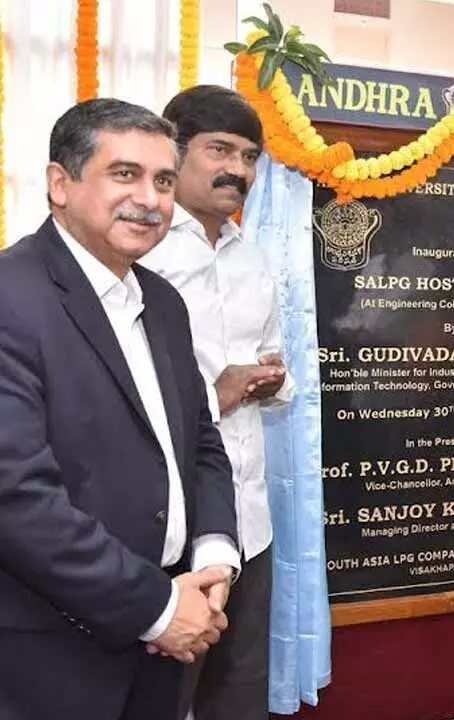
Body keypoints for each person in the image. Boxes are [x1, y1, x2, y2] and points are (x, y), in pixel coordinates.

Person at [0, 98, 239, 719]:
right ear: (60, 184)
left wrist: (213, 559)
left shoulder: (162, 302)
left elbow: (201, 442)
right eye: (124, 174)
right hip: (50, 653)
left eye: (163, 180)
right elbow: (17, 498)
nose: (152, 199)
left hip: (171, 635)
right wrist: (155, 609)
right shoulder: (11, 298)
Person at [138, 85, 291, 720]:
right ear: (173, 152)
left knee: (238, 691)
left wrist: (270, 382)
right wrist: (217, 393)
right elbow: (117, 391)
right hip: (167, 525)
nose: (238, 169)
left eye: (250, 156)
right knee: (162, 695)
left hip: (249, 522)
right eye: (219, 149)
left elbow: (278, 366)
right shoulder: (140, 251)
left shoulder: (253, 259)